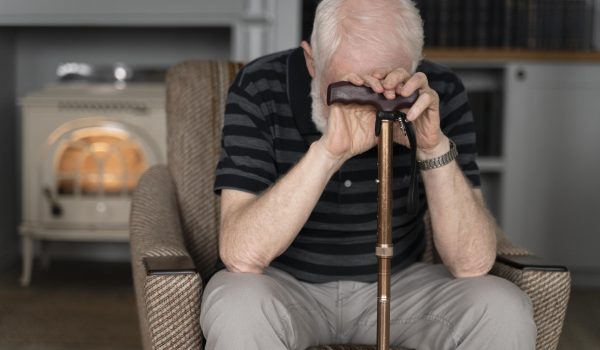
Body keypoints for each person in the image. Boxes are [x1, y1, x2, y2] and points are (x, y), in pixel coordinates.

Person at [200, 0, 536, 349]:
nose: (369, 105)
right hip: (283, 285)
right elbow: (240, 254)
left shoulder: (438, 93)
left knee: (502, 309)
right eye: (349, 88)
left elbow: (472, 264)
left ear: (414, 64)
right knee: (236, 305)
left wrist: (433, 148)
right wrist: (328, 153)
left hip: (402, 283)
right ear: (312, 61)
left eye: (384, 90)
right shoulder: (260, 86)